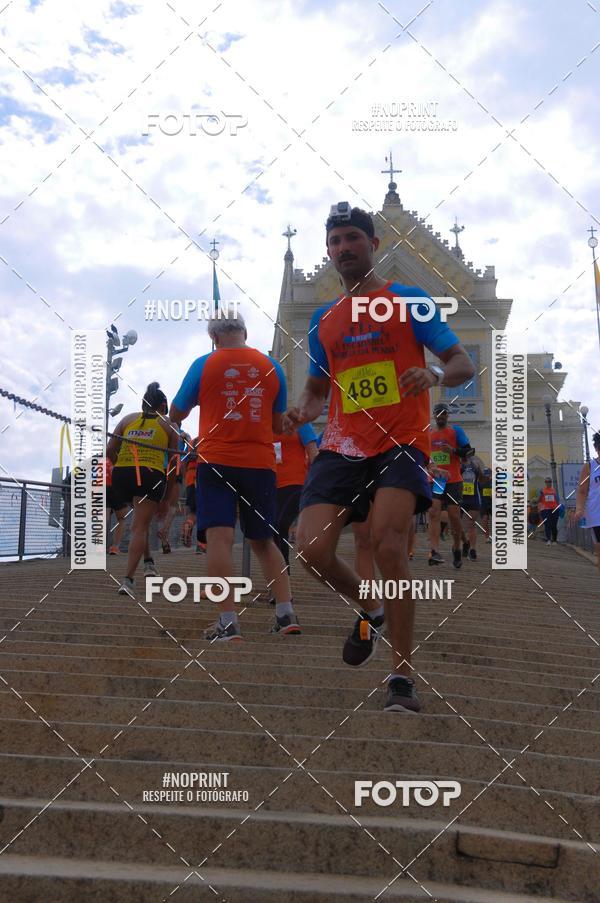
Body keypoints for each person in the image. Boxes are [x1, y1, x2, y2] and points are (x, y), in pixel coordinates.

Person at [285, 202, 474, 713]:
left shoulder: (409, 300)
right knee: (309, 550)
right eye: (335, 242)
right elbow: (317, 389)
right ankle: (369, 606)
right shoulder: (324, 319)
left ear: (373, 245)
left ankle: (401, 678)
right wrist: (301, 410)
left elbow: (462, 363)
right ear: (329, 252)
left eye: (352, 238)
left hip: (401, 441)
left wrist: (433, 375)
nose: (343, 248)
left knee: (390, 547)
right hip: (343, 444)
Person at [169, 310, 300, 639]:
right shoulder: (273, 367)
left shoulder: (204, 364)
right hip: (261, 463)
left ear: (213, 337)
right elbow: (275, 425)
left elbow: (176, 413)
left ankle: (228, 622)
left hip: (216, 462)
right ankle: (286, 614)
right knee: (263, 540)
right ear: (244, 331)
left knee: (219, 539)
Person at [107, 383, 179, 597]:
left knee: (141, 521)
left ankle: (149, 563)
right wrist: (166, 497)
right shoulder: (169, 425)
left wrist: (120, 464)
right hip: (150, 474)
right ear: (163, 405)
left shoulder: (128, 419)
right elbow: (174, 464)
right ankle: (128, 580)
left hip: (122, 474)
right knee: (139, 526)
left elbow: (110, 449)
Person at [268, 424, 318, 600]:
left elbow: (314, 453)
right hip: (270, 485)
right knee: (273, 531)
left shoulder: (300, 423)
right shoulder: (265, 422)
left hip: (296, 483)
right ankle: (279, 584)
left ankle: (282, 586)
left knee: (279, 526)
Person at [428, 403, 474, 568]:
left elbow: (470, 452)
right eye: (437, 413)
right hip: (438, 481)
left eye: (443, 414)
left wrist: (453, 451)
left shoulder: (456, 431)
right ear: (434, 415)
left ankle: (457, 547)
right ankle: (434, 551)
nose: (440, 416)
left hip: (454, 480)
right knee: (434, 511)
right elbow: (427, 458)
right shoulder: (430, 435)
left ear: (448, 416)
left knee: (454, 517)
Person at [574, 431, 600, 575]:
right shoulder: (589, 467)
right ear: (596, 448)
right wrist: (579, 509)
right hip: (597, 515)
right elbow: (582, 491)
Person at [460, 454, 484, 560]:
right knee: (457, 526)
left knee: (471, 523)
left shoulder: (475, 465)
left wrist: (480, 471)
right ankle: (465, 543)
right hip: (459, 497)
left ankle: (473, 550)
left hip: (473, 498)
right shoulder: (457, 464)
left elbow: (482, 480)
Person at [105, 455, 129, 555]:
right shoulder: (123, 455)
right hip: (117, 486)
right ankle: (114, 547)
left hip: (100, 486)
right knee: (122, 518)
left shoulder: (99, 459)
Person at [537, 477, 560, 544]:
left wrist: (559, 507)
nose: (548, 483)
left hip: (554, 509)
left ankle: (554, 540)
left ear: (551, 482)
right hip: (545, 510)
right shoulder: (542, 490)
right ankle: (548, 540)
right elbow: (538, 500)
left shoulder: (554, 491)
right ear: (545, 483)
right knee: (547, 524)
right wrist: (540, 495)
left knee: (554, 525)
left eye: (550, 481)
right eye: (547, 482)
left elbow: (557, 500)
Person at [480, 467, 492, 542]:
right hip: (483, 503)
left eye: (488, 475)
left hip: (493, 503)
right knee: (484, 520)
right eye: (485, 475)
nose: (487, 476)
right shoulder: (480, 482)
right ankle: (487, 537)